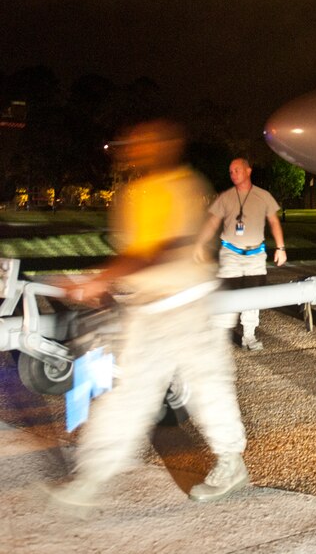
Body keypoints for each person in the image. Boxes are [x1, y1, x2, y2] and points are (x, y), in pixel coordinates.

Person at [51, 119, 248, 512]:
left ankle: (231, 462)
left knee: (207, 386)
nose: (137, 149)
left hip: (188, 304)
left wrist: (99, 280)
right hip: (149, 308)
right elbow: (137, 253)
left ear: (168, 146)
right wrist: (110, 285)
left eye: (147, 143)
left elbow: (156, 252)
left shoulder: (182, 187)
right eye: (135, 144)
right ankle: (91, 478)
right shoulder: (137, 193)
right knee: (129, 395)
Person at [194, 157, 287, 350]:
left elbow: (274, 221)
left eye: (237, 170)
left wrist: (280, 248)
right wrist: (199, 244)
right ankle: (220, 337)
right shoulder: (226, 197)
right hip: (231, 254)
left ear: (248, 171)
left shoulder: (263, 196)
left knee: (253, 296)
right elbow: (212, 222)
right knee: (227, 294)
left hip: (256, 255)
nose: (233, 174)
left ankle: (249, 336)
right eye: (231, 172)